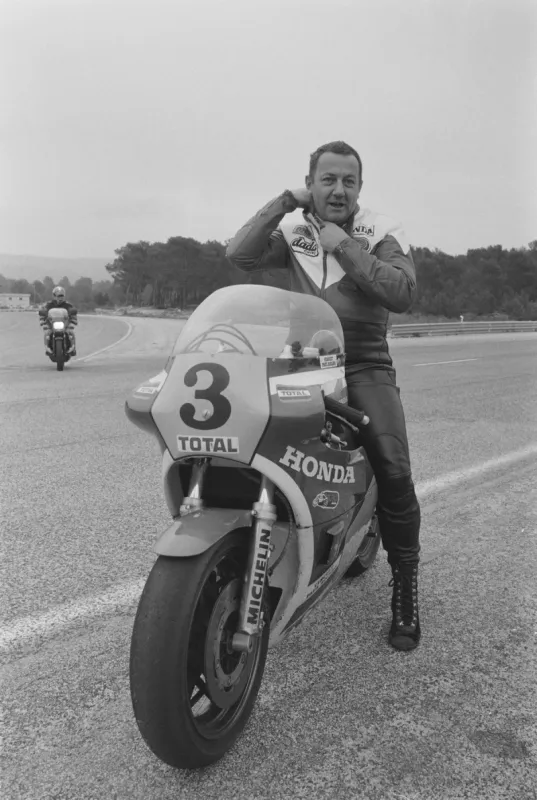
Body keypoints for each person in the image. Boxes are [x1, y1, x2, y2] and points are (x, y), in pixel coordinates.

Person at [226, 140, 421, 652]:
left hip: (363, 365)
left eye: (348, 181)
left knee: (395, 468)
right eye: (327, 179)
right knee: (258, 448)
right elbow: (239, 253)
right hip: (300, 362)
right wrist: (283, 201)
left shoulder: (379, 231)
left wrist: (344, 246)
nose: (338, 189)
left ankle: (405, 590)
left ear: (360, 187)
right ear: (310, 182)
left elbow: (401, 292)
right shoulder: (291, 230)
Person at [39, 286, 78, 356]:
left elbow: (73, 314)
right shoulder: (49, 305)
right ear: (54, 296)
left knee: (71, 333)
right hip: (51, 325)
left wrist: (73, 322)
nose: (60, 298)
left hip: (65, 325)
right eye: (58, 296)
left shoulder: (68, 305)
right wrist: (43, 321)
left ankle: (72, 348)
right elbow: (43, 312)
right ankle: (47, 348)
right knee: (47, 333)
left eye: (62, 296)